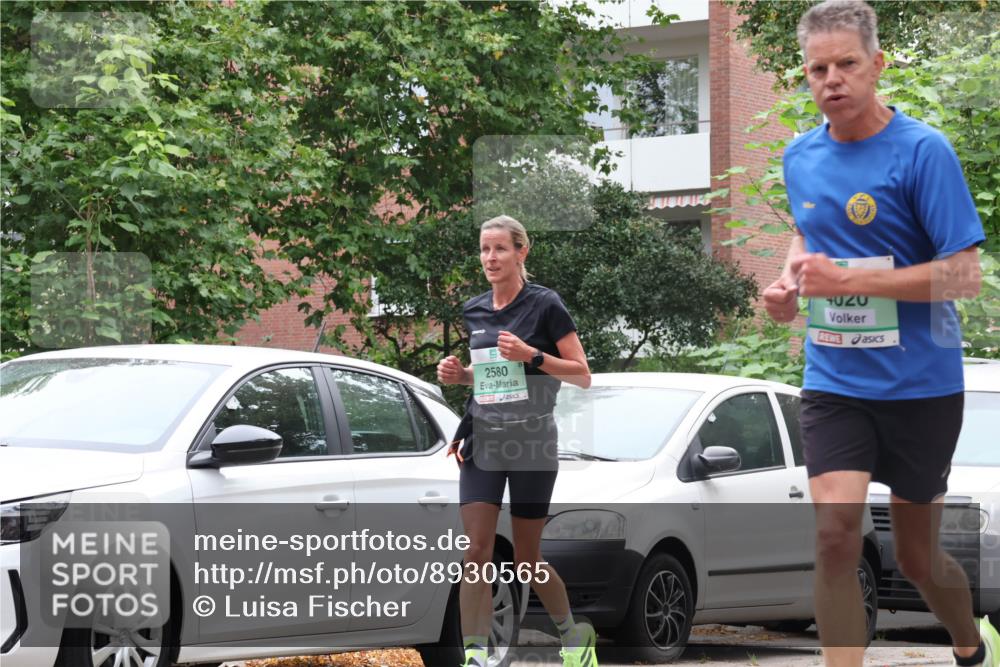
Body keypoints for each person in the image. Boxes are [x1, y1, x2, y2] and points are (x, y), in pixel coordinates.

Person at [762, 2, 997, 666]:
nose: (831, 79)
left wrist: (851, 283)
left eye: (846, 64)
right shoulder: (800, 156)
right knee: (836, 536)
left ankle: (969, 641)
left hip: (921, 384)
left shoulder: (923, 151)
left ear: (877, 65)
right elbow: (810, 233)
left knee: (918, 557)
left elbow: (964, 276)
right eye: (817, 68)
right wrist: (788, 284)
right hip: (835, 379)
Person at [437, 215, 594, 667]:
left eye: (500, 249)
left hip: (531, 444)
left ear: (521, 252)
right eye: (485, 249)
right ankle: (475, 655)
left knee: (526, 559)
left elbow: (582, 375)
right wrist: (462, 375)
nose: (491, 258)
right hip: (484, 439)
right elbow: (491, 378)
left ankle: (573, 635)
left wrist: (533, 355)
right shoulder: (475, 310)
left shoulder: (546, 305)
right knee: (475, 551)